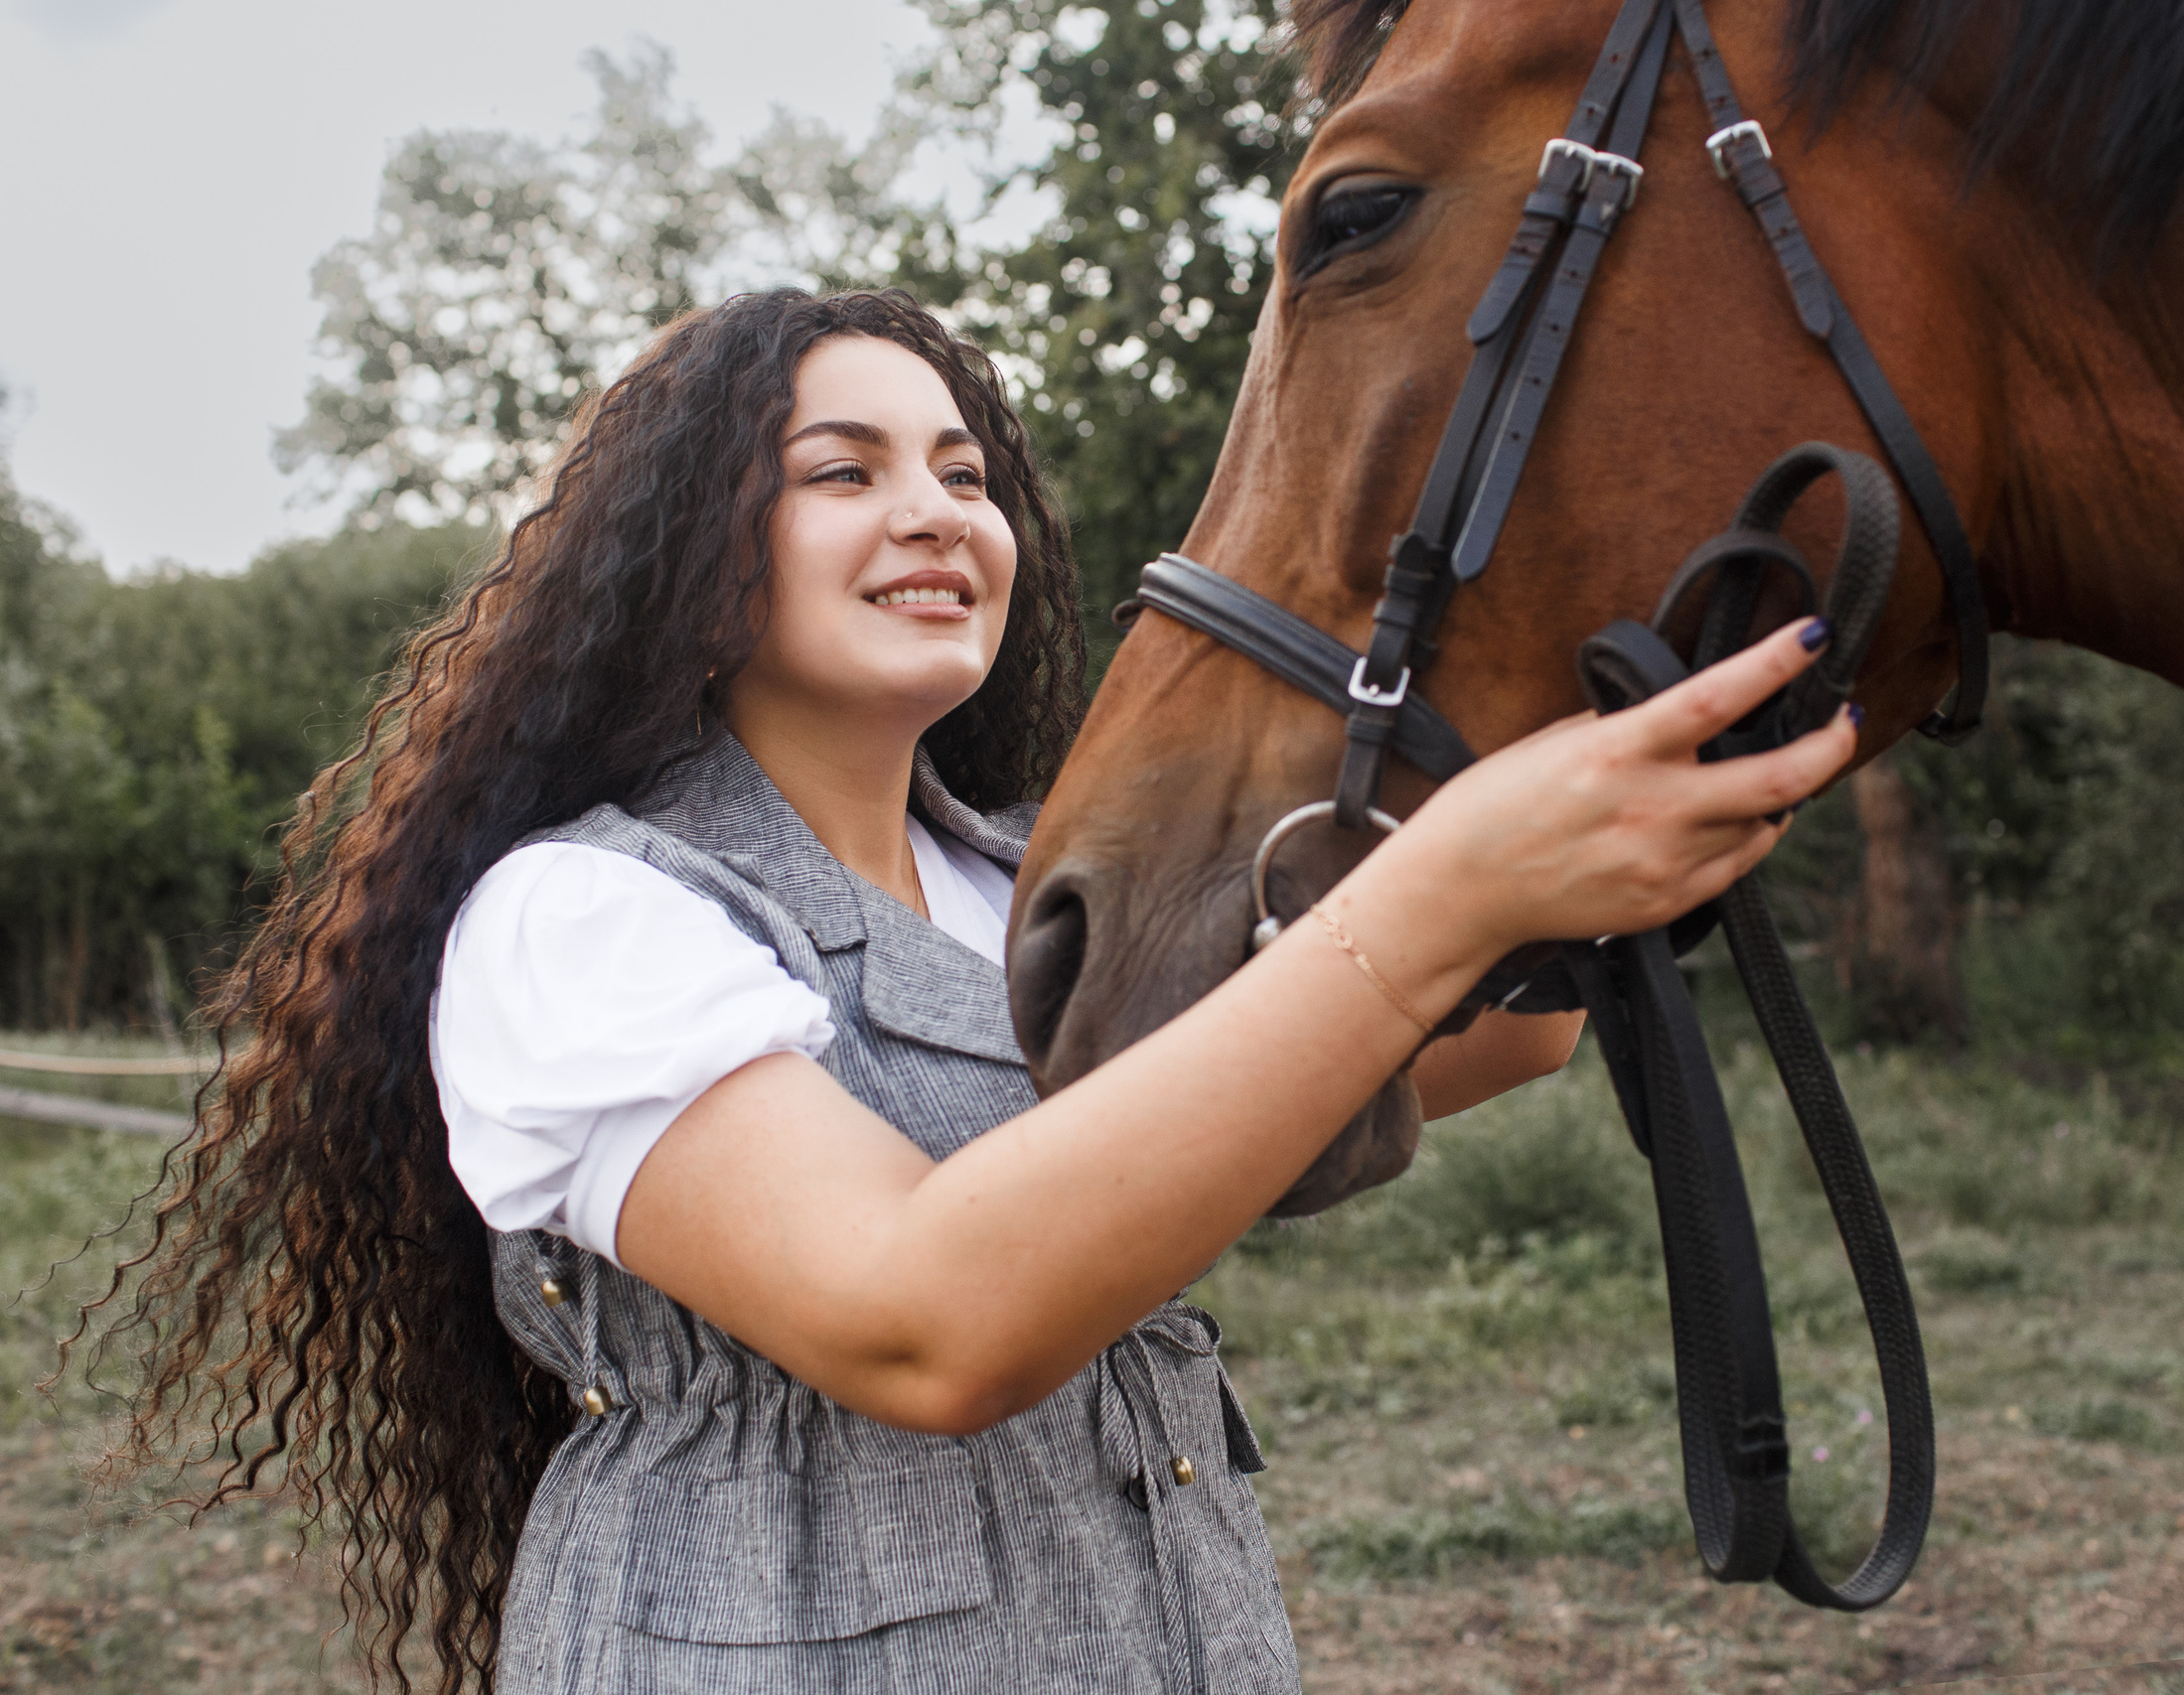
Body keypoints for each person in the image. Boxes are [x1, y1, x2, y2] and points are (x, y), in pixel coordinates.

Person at [85, 289, 1856, 1694]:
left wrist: (1601, 752)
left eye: (963, 472)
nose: (934, 512)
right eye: (842, 472)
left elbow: (1499, 1030)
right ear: (689, 551)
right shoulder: (585, 916)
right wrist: (1445, 890)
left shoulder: (1040, 895)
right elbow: (925, 1324)